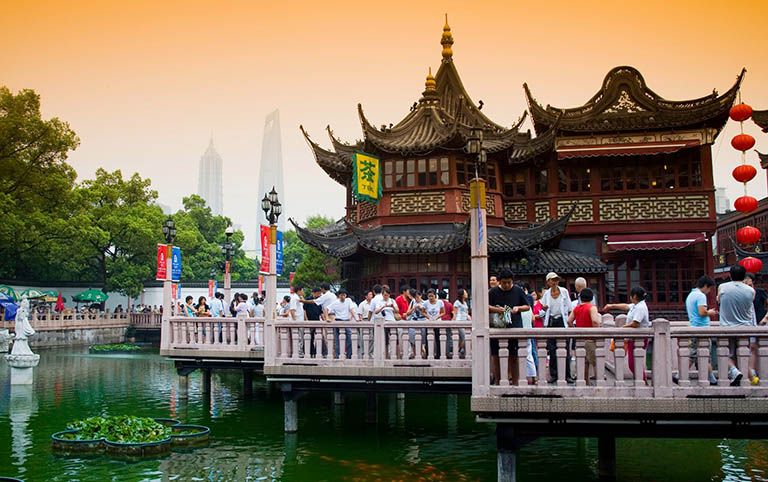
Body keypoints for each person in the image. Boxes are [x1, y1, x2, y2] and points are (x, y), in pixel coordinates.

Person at [488, 268, 530, 385]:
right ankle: (499, 381)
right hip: (498, 326)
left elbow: (527, 306)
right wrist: (498, 310)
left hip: (514, 326)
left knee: (514, 356)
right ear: (499, 282)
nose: (506, 285)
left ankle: (515, 381)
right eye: (504, 282)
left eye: (509, 283)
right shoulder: (493, 292)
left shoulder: (518, 291)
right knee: (496, 355)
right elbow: (486, 306)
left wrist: (518, 308)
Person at [717, 265, 757, 386]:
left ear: (730, 275)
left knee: (725, 353)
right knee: (743, 353)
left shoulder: (723, 287)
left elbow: (718, 300)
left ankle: (734, 371)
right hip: (745, 327)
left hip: (727, 326)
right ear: (744, 276)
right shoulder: (751, 291)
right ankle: (748, 376)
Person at [604, 286, 650, 382]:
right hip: (632, 338)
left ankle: (644, 382)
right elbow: (626, 306)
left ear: (635, 296)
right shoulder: (636, 305)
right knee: (633, 363)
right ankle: (641, 381)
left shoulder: (640, 308)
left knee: (633, 364)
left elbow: (635, 323)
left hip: (638, 339)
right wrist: (612, 306)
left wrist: (623, 328)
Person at [684, 275, 719, 386]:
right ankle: (680, 374)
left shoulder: (691, 295)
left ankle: (711, 377)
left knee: (701, 355)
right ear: (705, 286)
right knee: (696, 355)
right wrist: (710, 312)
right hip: (701, 328)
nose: (709, 291)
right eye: (709, 288)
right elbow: (702, 312)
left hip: (694, 326)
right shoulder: (700, 296)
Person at [540, 272, 574, 383]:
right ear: (548, 281)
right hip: (551, 321)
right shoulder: (546, 294)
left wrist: (570, 322)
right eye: (552, 280)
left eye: (556, 280)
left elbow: (569, 308)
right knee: (552, 350)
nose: (554, 282)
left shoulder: (564, 292)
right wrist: (543, 309)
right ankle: (553, 374)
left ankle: (567, 375)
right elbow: (543, 310)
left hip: (562, 321)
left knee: (565, 350)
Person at [568, 288, 600, 382]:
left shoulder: (577, 308)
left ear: (580, 297)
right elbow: (595, 321)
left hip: (580, 339)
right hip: (590, 338)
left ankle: (586, 383)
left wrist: (576, 330)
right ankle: (599, 382)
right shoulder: (592, 307)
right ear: (591, 298)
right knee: (596, 362)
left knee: (584, 363)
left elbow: (569, 321)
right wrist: (597, 333)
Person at [325, 289, 359, 358]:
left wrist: (356, 318)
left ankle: (349, 356)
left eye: (344, 295)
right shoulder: (336, 302)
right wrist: (327, 317)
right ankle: (338, 356)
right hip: (338, 321)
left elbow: (351, 310)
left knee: (350, 339)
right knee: (338, 341)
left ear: (346, 295)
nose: (343, 297)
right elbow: (326, 309)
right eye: (341, 295)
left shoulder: (348, 300)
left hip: (347, 321)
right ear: (339, 296)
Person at [423, 289, 445, 358]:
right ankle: (428, 354)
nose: (431, 298)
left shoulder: (440, 302)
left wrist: (437, 317)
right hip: (428, 322)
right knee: (428, 339)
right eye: (429, 296)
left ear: (435, 295)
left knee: (438, 339)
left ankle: (438, 354)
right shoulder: (426, 303)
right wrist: (428, 317)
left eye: (432, 296)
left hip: (437, 322)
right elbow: (423, 312)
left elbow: (443, 312)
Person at [406, 290, 428, 358]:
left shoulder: (425, 302)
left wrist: (422, 309)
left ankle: (422, 353)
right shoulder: (412, 302)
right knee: (412, 339)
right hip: (413, 321)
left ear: (420, 295)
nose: (416, 299)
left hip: (422, 321)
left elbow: (427, 313)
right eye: (415, 297)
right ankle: (415, 354)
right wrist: (413, 308)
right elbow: (407, 313)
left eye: (418, 297)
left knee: (422, 339)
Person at [452, 288, 470, 357]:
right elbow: (455, 313)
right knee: (465, 337)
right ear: (462, 294)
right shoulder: (457, 302)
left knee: (462, 338)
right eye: (465, 293)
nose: (467, 294)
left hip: (465, 320)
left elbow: (466, 312)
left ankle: (460, 350)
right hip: (459, 321)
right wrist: (453, 322)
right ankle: (460, 349)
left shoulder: (465, 303)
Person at [289, 286, 305, 355]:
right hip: (297, 320)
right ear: (299, 291)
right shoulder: (294, 298)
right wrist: (295, 321)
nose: (303, 292)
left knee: (301, 337)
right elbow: (292, 310)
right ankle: (298, 352)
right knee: (298, 337)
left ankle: (299, 351)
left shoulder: (299, 298)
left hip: (300, 320)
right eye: (302, 290)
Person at [357, 290, 374, 356]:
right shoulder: (362, 304)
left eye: (371, 294)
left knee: (371, 338)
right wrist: (361, 321)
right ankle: (363, 352)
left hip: (372, 321)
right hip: (364, 320)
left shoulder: (373, 303)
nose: (371, 296)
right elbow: (360, 313)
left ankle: (370, 352)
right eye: (369, 295)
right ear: (366, 296)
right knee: (363, 338)